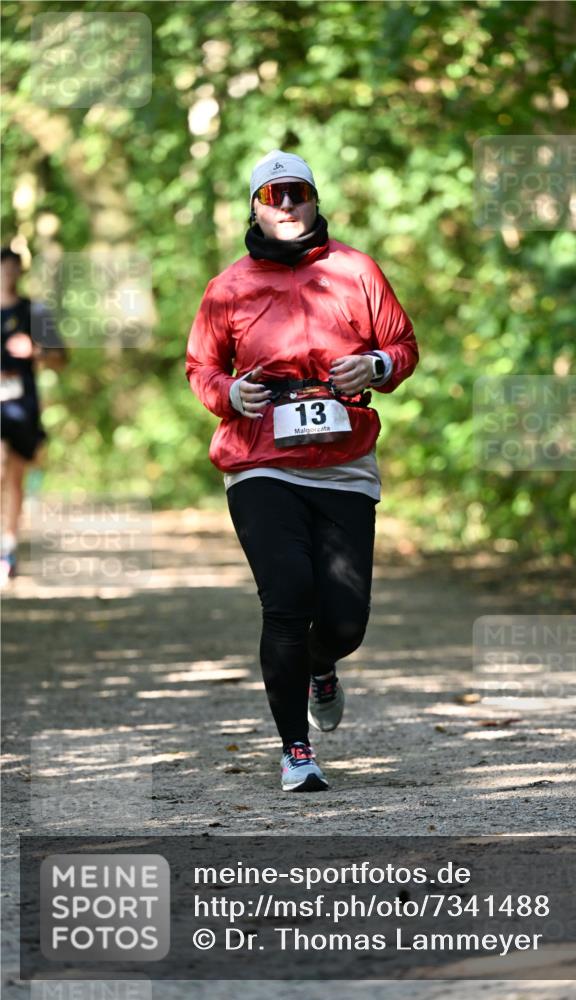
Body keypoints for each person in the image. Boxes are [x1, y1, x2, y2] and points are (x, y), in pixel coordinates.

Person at [186, 150, 418, 792]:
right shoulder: (227, 288)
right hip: (260, 459)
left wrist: (375, 368)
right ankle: (296, 751)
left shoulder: (356, 270)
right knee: (287, 599)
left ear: (314, 199)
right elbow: (201, 367)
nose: (286, 204)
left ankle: (323, 665)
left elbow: (403, 345)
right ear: (254, 206)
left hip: (343, 461)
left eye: (297, 192)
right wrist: (230, 395)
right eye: (272, 195)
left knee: (345, 621)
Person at [1, 247, 67, 585]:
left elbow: (61, 356)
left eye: (15, 268)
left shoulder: (33, 311)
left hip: (21, 405)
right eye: (4, 268)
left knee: (14, 474)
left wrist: (35, 351)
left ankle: (8, 548)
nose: (9, 274)